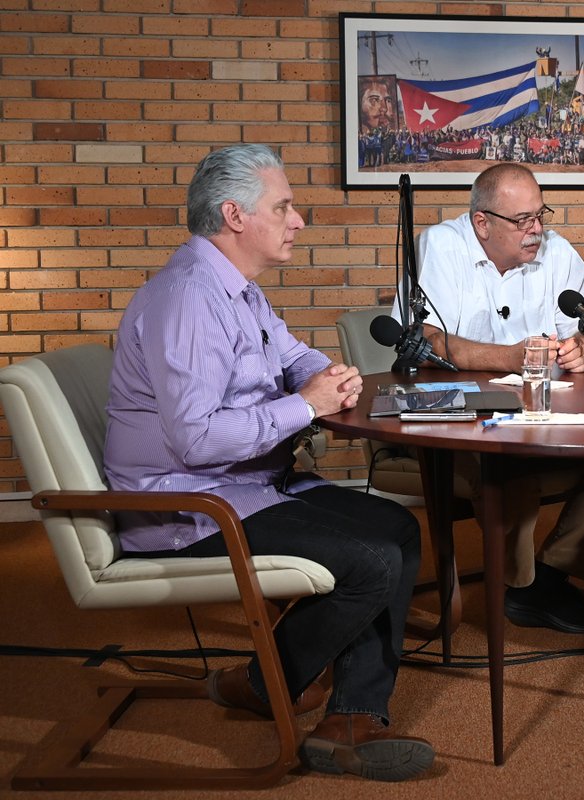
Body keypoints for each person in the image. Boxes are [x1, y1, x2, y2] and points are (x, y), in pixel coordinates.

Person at [104, 144, 434, 782]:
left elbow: (293, 354)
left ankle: (351, 715)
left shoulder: (241, 293)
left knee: (396, 529)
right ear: (234, 216)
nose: (298, 219)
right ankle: (267, 683)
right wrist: (306, 409)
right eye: (283, 206)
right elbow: (197, 441)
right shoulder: (190, 299)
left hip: (249, 485)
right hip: (190, 506)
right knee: (371, 563)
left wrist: (326, 375)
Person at [392, 162, 584, 635]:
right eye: (522, 221)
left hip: (545, 410)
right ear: (481, 223)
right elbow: (425, 339)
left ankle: (548, 575)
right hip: (454, 418)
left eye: (540, 215)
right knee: (505, 458)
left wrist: (583, 349)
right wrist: (508, 356)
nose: (537, 230)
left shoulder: (558, 252)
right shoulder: (440, 247)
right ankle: (524, 587)